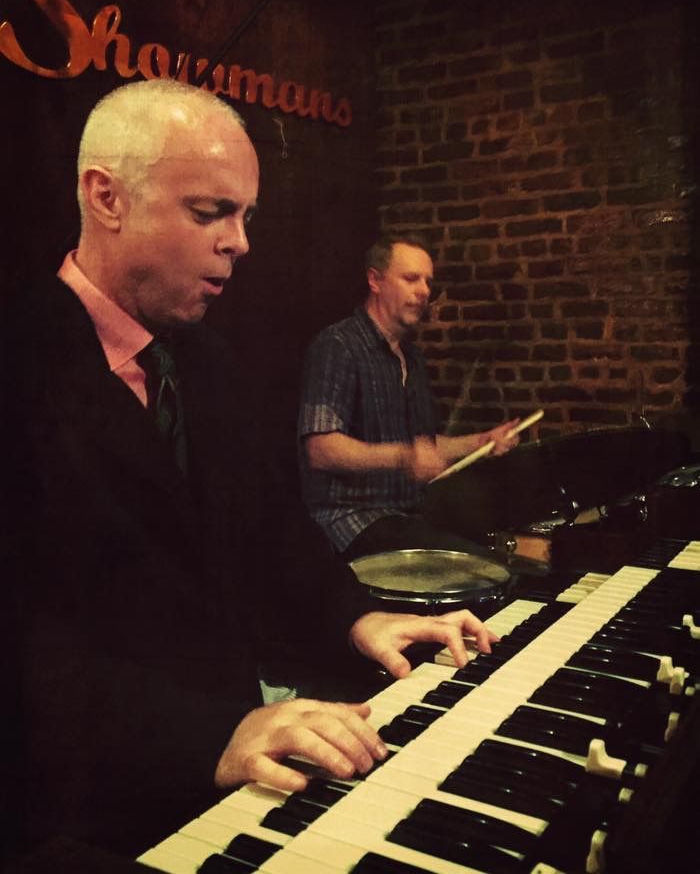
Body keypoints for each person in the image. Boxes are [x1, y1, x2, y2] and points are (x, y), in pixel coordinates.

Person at [1, 80, 497, 864]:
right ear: (106, 197)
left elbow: (271, 529)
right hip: (80, 806)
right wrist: (210, 735)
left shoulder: (208, 360)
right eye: (211, 212)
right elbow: (25, 649)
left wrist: (356, 617)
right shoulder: (19, 359)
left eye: (247, 217)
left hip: (221, 778)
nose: (239, 243)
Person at [298, 233, 521, 561]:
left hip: (406, 516)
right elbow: (321, 449)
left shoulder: (412, 358)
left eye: (428, 282)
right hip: (352, 520)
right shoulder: (338, 346)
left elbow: (424, 446)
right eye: (411, 278)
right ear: (375, 280)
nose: (424, 291)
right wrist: (403, 456)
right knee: (480, 566)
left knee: (502, 541)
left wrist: (481, 442)